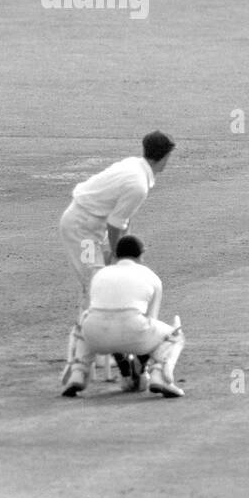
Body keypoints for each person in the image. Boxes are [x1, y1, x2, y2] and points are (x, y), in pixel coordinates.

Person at [58, 131, 175, 377]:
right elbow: (115, 224)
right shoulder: (138, 184)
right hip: (82, 230)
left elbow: (122, 221)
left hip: (91, 227)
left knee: (98, 282)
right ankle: (86, 356)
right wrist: (119, 256)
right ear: (164, 157)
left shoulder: (134, 167)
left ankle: (95, 352)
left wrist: (118, 252)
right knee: (95, 284)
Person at [61, 235, 185, 398]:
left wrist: (125, 368)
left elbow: (101, 313)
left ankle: (78, 372)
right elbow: (150, 321)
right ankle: (160, 376)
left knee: (84, 324)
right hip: (134, 330)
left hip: (96, 334)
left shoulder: (100, 274)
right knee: (175, 336)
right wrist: (139, 370)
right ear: (142, 253)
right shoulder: (151, 276)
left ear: (114, 255)